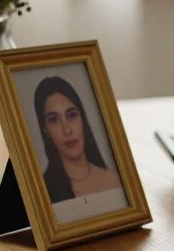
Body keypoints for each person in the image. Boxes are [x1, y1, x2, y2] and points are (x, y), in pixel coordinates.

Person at [34, 75, 121, 203]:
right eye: (53, 120)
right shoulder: (41, 193)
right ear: (45, 129)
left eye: (71, 115)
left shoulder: (114, 181)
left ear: (82, 119)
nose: (67, 130)